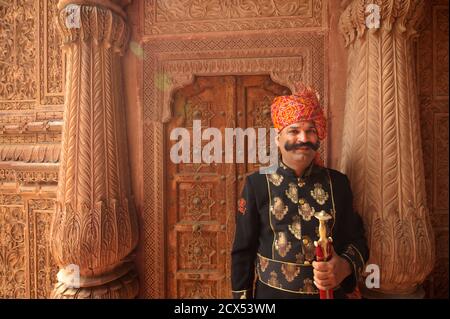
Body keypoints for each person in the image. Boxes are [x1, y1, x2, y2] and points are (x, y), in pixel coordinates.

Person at [231, 85, 369, 299]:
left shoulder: (338, 183)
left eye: (310, 131)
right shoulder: (256, 184)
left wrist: (343, 267)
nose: (303, 138)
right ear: (278, 138)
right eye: (294, 131)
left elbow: (357, 240)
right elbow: (243, 252)